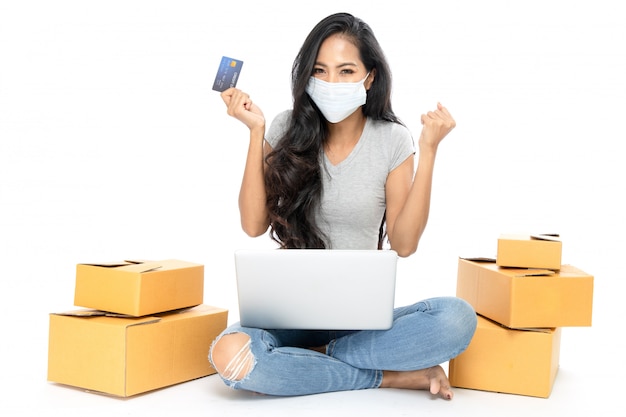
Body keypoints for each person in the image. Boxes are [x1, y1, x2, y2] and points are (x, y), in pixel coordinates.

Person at [209, 12, 477, 399]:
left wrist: (430, 149)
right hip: (291, 316)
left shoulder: (392, 140)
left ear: (369, 77)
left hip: (361, 323)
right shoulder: (286, 129)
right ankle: (386, 376)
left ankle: (310, 359)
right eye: (320, 70)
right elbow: (253, 224)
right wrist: (256, 133)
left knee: (456, 319)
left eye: (346, 71)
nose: (331, 82)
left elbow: (404, 244)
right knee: (230, 353)